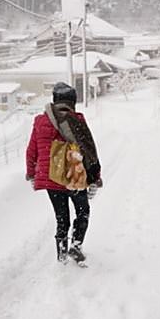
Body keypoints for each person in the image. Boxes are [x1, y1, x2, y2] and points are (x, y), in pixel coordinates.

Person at [26, 82, 102, 264]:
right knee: (82, 212)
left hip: (51, 179)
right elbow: (89, 150)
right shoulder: (77, 119)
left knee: (62, 218)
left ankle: (61, 257)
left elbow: (31, 151)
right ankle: (76, 246)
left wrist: (31, 174)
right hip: (74, 178)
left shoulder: (40, 121)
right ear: (72, 101)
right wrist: (94, 178)